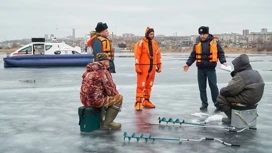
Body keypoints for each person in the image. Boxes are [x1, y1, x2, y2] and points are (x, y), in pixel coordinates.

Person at [183, 26, 227, 111]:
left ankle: (217, 103)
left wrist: (223, 61)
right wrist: (188, 64)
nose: (202, 36)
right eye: (200, 34)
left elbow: (220, 53)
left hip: (210, 68)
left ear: (207, 33)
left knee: (213, 86)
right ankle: (204, 103)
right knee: (202, 87)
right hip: (200, 69)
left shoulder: (214, 42)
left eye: (204, 34)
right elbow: (193, 55)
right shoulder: (197, 42)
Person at [215, 54, 265, 123]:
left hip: (248, 99)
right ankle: (239, 117)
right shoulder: (255, 72)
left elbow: (230, 90)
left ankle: (233, 119)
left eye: (235, 66)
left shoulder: (241, 76)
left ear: (239, 65)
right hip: (256, 98)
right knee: (232, 95)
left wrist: (222, 90)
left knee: (221, 98)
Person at [80, 53, 123, 129]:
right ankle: (108, 123)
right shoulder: (103, 72)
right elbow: (111, 91)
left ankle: (101, 120)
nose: (109, 63)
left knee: (102, 96)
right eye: (108, 61)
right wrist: (115, 92)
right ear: (105, 61)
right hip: (95, 101)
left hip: (84, 100)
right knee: (118, 98)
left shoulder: (88, 70)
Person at [134, 27, 162, 111]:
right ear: (147, 34)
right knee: (141, 85)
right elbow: (137, 54)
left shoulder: (154, 44)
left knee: (149, 85)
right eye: (150, 34)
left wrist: (159, 65)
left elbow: (158, 54)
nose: (152, 36)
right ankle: (138, 102)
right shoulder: (140, 43)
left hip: (152, 67)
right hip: (143, 67)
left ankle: (146, 100)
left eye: (153, 34)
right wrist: (137, 65)